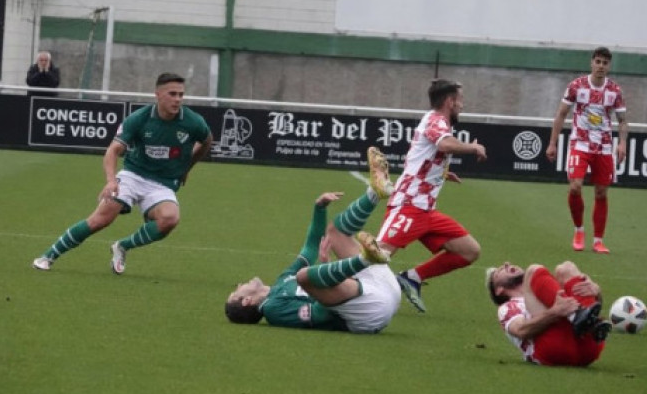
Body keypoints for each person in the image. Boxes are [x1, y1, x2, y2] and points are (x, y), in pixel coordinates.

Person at [32, 72, 213, 273]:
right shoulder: (139, 119)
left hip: (163, 182)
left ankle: (123, 246)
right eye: (172, 94)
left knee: (170, 219)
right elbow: (113, 151)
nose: (178, 99)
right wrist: (111, 181)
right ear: (158, 95)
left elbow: (207, 141)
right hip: (133, 175)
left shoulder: (192, 121)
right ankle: (48, 256)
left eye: (181, 94)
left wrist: (187, 167)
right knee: (101, 219)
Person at [225, 152, 400, 333]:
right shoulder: (272, 310)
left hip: (376, 286)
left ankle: (375, 192)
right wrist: (327, 269)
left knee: (333, 234)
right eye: (237, 291)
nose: (239, 285)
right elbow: (321, 314)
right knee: (304, 276)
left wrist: (319, 208)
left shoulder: (282, 281)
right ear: (247, 301)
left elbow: (310, 248)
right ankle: (365, 259)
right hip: (366, 312)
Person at [374, 80, 487, 313]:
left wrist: (442, 173)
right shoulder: (436, 120)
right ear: (450, 101)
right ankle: (328, 289)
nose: (462, 106)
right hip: (409, 204)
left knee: (469, 251)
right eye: (460, 100)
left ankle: (411, 277)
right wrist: (474, 148)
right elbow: (445, 145)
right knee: (374, 257)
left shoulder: (436, 121)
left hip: (425, 209)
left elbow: (422, 155)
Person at [545, 47, 628, 254]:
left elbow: (623, 120)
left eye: (605, 63)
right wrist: (553, 143)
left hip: (603, 147)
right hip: (580, 144)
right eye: (598, 62)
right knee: (575, 187)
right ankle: (579, 230)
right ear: (592, 63)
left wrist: (622, 143)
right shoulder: (576, 86)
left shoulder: (614, 91)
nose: (601, 66)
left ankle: (598, 240)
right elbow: (561, 114)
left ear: (609, 66)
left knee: (601, 192)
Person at [485, 260, 611, 366]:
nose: (507, 263)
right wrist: (555, 312)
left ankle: (585, 320)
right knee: (534, 270)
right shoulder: (507, 307)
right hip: (553, 348)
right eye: (500, 270)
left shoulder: (549, 289)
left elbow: (593, 308)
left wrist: (596, 291)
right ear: (499, 290)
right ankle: (577, 316)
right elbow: (521, 331)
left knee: (566, 268)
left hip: (589, 348)